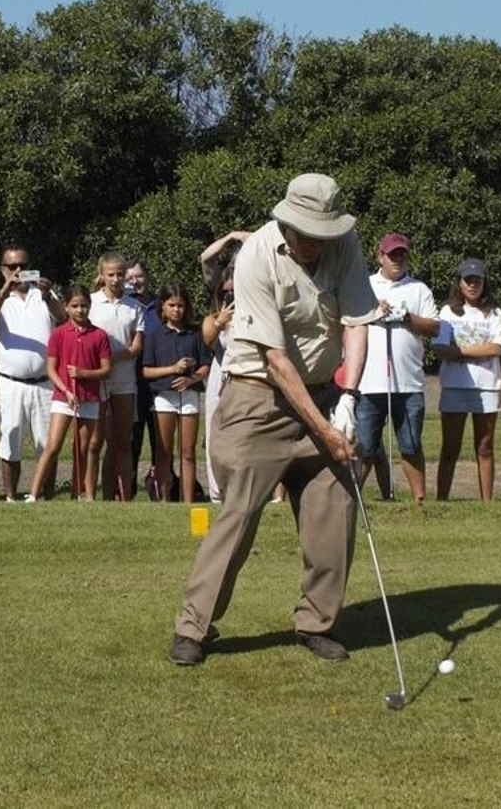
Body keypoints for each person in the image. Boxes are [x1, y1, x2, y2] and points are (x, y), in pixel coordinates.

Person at [170, 173, 380, 667]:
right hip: (256, 402)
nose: (314, 245)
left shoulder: (344, 242)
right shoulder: (256, 256)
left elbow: (356, 322)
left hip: (324, 393)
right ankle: (193, 628)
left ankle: (316, 623)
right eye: (306, 233)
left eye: (323, 235)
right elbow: (275, 359)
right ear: (286, 222)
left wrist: (348, 399)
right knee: (238, 515)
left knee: (336, 506)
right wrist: (327, 430)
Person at [354, 233, 441, 504]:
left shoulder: (418, 289)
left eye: (402, 254)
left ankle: (419, 501)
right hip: (369, 382)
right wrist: (372, 310)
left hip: (408, 382)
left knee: (410, 444)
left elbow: (434, 328)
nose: (398, 259)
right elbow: (345, 320)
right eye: (392, 255)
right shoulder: (363, 286)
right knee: (365, 447)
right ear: (380, 256)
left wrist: (407, 316)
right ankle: (352, 500)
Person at [0, 245, 67, 502]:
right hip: (11, 383)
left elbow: (63, 318)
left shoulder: (44, 295)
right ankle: (11, 497)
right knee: (10, 443)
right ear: (2, 269)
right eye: (11, 266)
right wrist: (4, 291)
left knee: (47, 445)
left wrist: (48, 296)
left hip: (44, 383)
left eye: (23, 265)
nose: (18, 271)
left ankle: (48, 496)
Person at [28, 284, 111, 502]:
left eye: (84, 305)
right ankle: (33, 494)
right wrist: (65, 391)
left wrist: (84, 373)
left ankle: (81, 493)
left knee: (84, 449)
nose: (80, 310)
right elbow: (51, 369)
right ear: (66, 307)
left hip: (90, 398)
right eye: (75, 306)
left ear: (90, 306)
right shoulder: (58, 333)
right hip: (64, 398)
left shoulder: (99, 335)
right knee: (53, 446)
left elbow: (106, 370)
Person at [433, 259, 501, 502]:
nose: (473, 285)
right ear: (460, 283)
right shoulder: (447, 312)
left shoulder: (494, 313)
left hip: (486, 386)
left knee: (485, 446)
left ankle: (487, 502)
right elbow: (441, 349)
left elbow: (497, 348)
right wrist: (477, 349)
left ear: (485, 283)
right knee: (450, 446)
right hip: (454, 385)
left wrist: (461, 351)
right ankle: (441, 499)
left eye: (478, 280)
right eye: (468, 280)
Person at [141, 283, 210, 503]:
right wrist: (172, 369)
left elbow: (205, 365)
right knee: (164, 452)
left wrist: (192, 378)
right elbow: (146, 371)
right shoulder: (154, 335)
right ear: (163, 306)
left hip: (189, 395)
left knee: (187, 452)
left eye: (180, 305)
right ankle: (163, 500)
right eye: (172, 305)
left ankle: (187, 501)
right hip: (164, 396)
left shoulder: (194, 333)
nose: (176, 310)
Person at [88, 251, 146, 501]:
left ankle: (125, 497)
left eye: (120, 274)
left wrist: (110, 359)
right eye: (110, 274)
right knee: (95, 442)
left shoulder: (135, 306)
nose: (115, 279)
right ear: (102, 275)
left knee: (122, 442)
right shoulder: (90, 303)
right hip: (96, 381)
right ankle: (92, 495)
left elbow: (135, 347)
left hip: (124, 380)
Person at [200, 231, 251, 504]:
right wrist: (232, 237)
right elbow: (205, 258)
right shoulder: (221, 296)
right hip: (221, 371)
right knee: (214, 431)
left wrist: (254, 241)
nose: (231, 290)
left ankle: (244, 490)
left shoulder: (257, 289)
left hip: (249, 370)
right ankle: (218, 492)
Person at [125, 259, 162, 489]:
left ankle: (159, 486)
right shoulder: (123, 306)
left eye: (138, 276)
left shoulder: (161, 305)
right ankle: (126, 489)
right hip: (131, 382)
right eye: (129, 278)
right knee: (132, 440)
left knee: (160, 440)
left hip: (159, 382)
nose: (134, 281)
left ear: (147, 276)